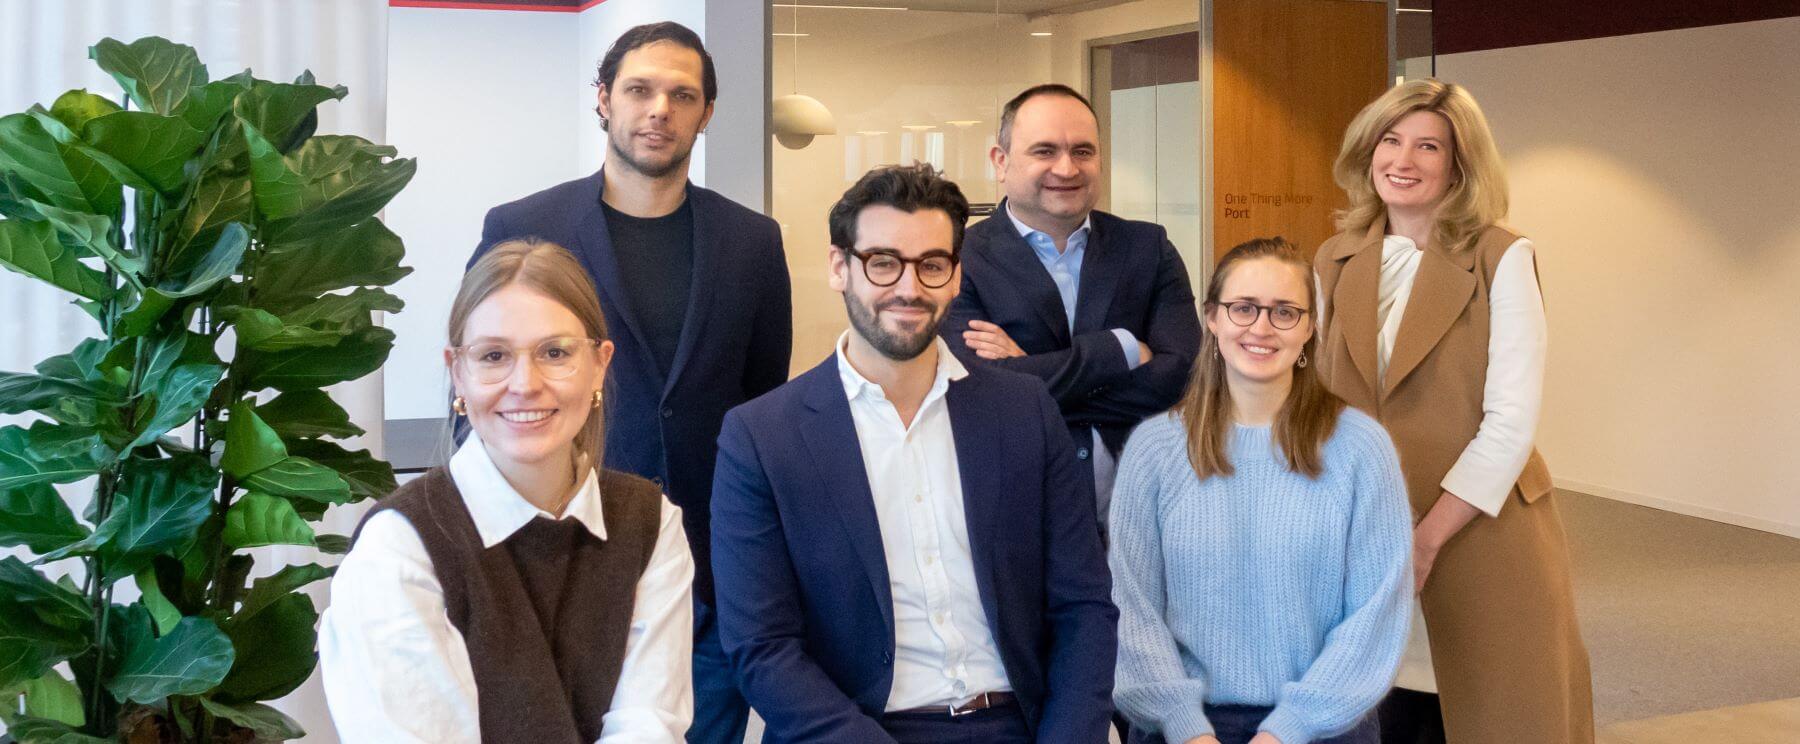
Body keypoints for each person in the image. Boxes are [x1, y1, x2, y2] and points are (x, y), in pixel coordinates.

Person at [710, 164, 1117, 743]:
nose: (908, 288)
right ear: (839, 268)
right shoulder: (762, 437)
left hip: (1019, 727)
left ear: (955, 276)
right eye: (882, 262)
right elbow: (762, 649)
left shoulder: (1025, 411)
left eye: (932, 265)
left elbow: (1084, 608)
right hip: (856, 733)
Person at [471, 22, 791, 744]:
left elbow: (760, 406)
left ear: (707, 113)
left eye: (683, 95)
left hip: (711, 570)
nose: (660, 110)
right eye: (640, 90)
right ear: (603, 101)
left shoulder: (752, 241)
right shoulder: (526, 226)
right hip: (558, 552)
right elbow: (486, 384)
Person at [321, 239, 693, 742]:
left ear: (600, 363)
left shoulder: (650, 522)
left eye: (555, 352)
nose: (525, 383)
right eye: (493, 355)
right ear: (458, 372)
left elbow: (648, 726)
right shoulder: (397, 548)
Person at [1313, 78, 1593, 743]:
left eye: (1428, 146)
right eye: (1391, 140)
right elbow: (1314, 402)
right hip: (1363, 533)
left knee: (1492, 711)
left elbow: (1510, 422)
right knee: (1377, 710)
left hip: (1478, 529)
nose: (1403, 160)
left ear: (1460, 164)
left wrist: (1425, 539)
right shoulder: (1333, 257)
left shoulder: (1502, 256)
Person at [1111, 237, 1412, 744]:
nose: (1261, 328)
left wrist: (1286, 732)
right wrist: (1187, 729)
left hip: (1323, 724)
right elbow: (1130, 608)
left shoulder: (1361, 449)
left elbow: (1375, 615)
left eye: (1284, 312)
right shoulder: (1154, 449)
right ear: (1212, 318)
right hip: (1183, 726)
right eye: (1243, 308)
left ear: (1310, 327)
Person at [943, 84, 1199, 540]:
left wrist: (1028, 373)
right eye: (1045, 150)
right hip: (1014, 513)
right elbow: (980, 391)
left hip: (1148, 514)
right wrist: (1119, 349)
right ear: (1000, 161)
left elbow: (1179, 376)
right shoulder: (956, 258)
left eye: (1083, 150)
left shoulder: (1148, 248)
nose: (1066, 167)